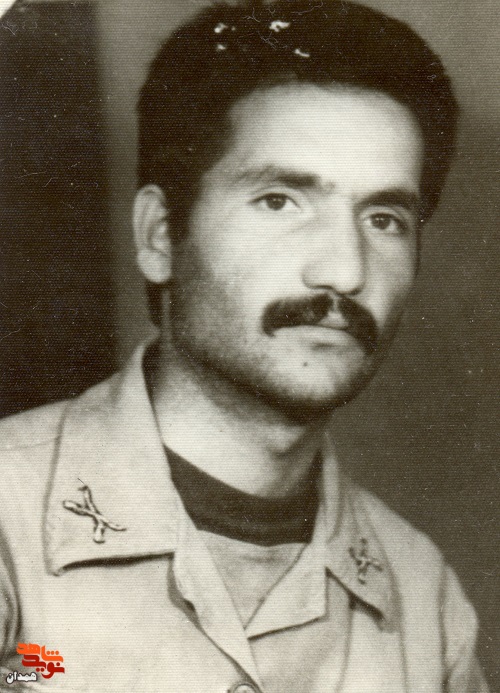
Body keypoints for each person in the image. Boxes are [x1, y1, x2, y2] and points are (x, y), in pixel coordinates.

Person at [0, 0, 489, 690]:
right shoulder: (9, 523)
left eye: (384, 218)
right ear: (161, 236)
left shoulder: (425, 603)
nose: (344, 270)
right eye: (280, 201)